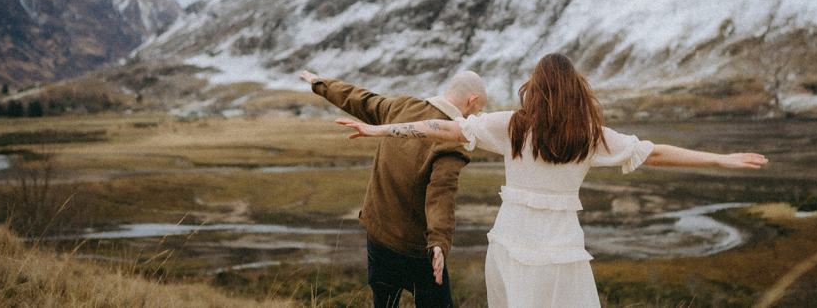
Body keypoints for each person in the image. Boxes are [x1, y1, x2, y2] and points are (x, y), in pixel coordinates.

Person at [333, 53, 768, 308]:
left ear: (534, 90)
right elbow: (655, 153)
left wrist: (379, 130)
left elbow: (439, 129)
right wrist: (722, 160)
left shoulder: (513, 127)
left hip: (510, 246)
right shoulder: (590, 137)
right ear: (576, 90)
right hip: (562, 252)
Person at [300, 68, 487, 308]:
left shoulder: (402, 106)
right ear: (471, 101)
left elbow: (358, 98)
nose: (477, 117)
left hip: (378, 235)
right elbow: (441, 193)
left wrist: (319, 83)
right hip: (418, 249)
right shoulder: (453, 141)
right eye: (479, 110)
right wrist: (439, 242)